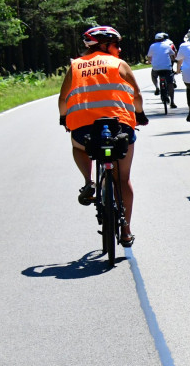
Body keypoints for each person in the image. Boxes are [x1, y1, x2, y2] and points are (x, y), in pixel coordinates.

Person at [58, 25, 148, 246]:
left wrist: (64, 117)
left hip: (84, 130)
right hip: (119, 129)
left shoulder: (76, 66)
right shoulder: (119, 64)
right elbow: (136, 95)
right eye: (116, 44)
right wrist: (140, 114)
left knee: (78, 146)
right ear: (105, 46)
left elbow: (63, 99)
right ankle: (126, 231)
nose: (118, 48)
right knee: (122, 179)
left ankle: (89, 182)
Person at [145, 32, 177, 107]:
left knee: (153, 76)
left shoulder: (152, 46)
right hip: (167, 68)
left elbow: (149, 56)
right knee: (170, 83)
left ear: (155, 40)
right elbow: (173, 54)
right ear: (163, 39)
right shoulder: (167, 45)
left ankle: (157, 87)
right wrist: (173, 59)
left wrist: (149, 62)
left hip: (156, 68)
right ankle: (172, 102)